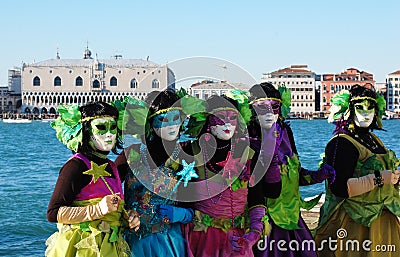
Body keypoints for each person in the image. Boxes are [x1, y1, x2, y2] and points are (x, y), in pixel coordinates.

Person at [247, 83, 335, 257]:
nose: (269, 113)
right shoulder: (247, 139)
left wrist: (318, 176)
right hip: (264, 221)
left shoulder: (285, 133)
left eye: (274, 107)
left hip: (292, 217)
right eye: (262, 108)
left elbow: (297, 175)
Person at [315, 84, 400, 257]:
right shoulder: (342, 143)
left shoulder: (374, 140)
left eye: (370, 107)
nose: (366, 112)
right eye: (360, 107)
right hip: (353, 225)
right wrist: (380, 178)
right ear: (349, 110)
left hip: (383, 222)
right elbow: (338, 187)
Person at [46, 102, 140, 257]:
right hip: (85, 248)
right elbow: (53, 213)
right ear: (86, 131)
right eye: (101, 128)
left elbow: (111, 209)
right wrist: (97, 209)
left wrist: (127, 217)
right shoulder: (75, 166)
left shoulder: (112, 166)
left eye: (113, 127)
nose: (109, 134)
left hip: (111, 246)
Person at [115, 90, 199, 257]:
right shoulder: (132, 153)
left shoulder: (185, 156)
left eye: (176, 118)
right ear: (150, 122)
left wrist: (182, 214)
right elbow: (109, 187)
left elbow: (194, 204)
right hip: (133, 238)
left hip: (169, 241)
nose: (171, 125)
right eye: (163, 119)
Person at [181, 94, 255, 257]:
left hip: (238, 238)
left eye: (233, 117)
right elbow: (182, 198)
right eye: (220, 118)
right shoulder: (191, 152)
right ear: (207, 121)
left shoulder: (248, 153)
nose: (227, 123)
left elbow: (258, 195)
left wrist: (253, 233)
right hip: (203, 238)